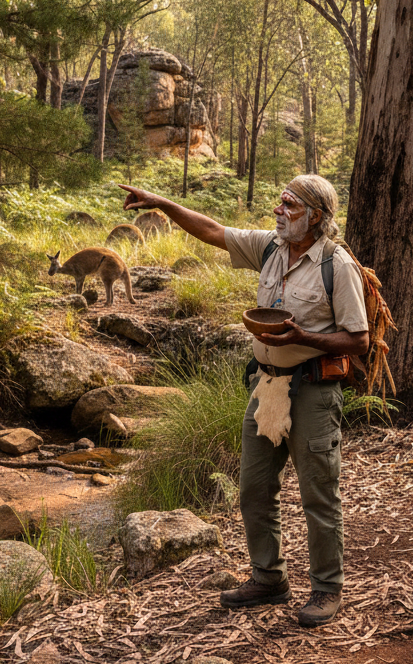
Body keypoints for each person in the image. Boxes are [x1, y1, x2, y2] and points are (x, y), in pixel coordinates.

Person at [118, 175, 369, 628]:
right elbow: (213, 231)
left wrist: (302, 337)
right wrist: (162, 202)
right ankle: (269, 578)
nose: (279, 211)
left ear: (315, 216)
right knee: (254, 489)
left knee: (318, 493)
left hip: (313, 389)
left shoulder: (337, 265)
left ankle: (327, 589)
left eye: (290, 206)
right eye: (279, 201)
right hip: (266, 388)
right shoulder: (269, 247)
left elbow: (359, 339)